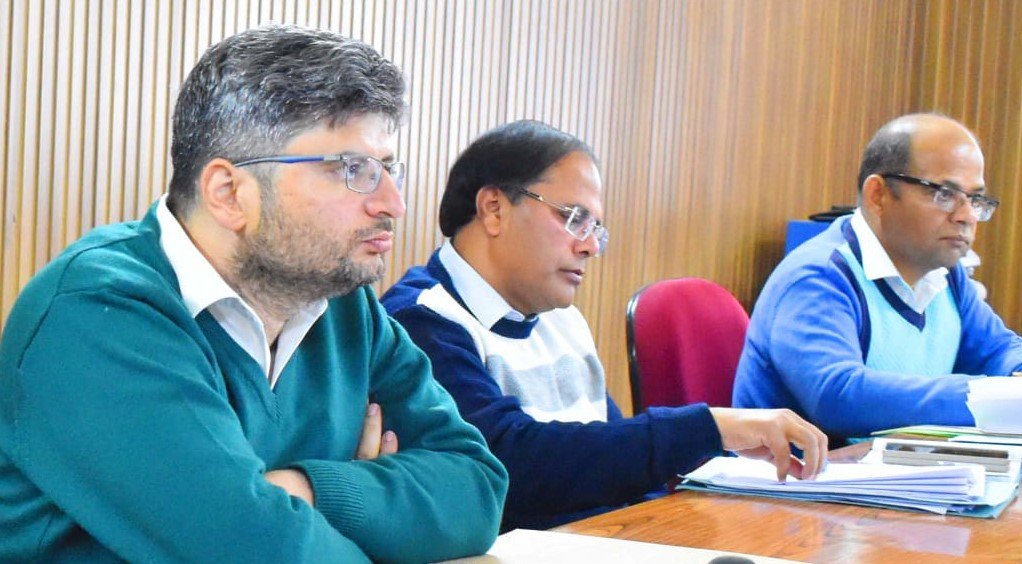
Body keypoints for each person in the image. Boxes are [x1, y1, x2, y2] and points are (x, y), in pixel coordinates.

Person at [0, 25, 506, 562]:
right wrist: (377, 514)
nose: (393, 204)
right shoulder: (94, 313)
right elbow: (265, 550)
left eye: (388, 169)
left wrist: (308, 491)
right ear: (228, 193)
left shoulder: (342, 304)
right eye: (353, 169)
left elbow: (478, 494)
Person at [381, 120, 827, 531]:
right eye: (574, 218)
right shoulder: (420, 322)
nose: (590, 246)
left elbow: (610, 464)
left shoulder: (562, 319)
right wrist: (708, 427)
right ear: (494, 209)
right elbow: (508, 463)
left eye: (596, 228)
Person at [732, 113, 1022, 444]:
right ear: (878, 195)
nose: (967, 215)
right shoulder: (819, 276)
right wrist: (987, 396)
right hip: (797, 475)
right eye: (945, 194)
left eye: (976, 199)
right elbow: (838, 395)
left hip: (893, 471)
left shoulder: (946, 275)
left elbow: (999, 350)